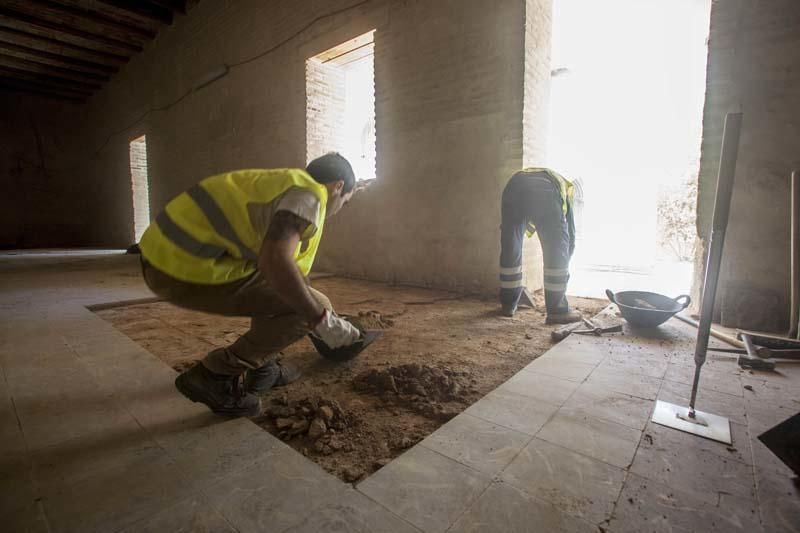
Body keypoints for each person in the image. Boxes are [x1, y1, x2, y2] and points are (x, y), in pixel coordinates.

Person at [139, 153, 362, 417]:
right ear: (338, 186)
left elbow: (283, 271)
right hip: (180, 268)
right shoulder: (310, 195)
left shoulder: (284, 184)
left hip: (165, 256)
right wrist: (322, 319)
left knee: (292, 291)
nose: (341, 207)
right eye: (346, 200)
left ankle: (263, 368)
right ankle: (214, 374)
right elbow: (276, 260)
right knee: (310, 306)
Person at [499, 168, 582, 324]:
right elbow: (568, 240)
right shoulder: (567, 191)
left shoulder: (551, 178)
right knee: (557, 248)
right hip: (544, 191)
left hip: (513, 185)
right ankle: (557, 310)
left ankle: (508, 304)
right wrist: (564, 266)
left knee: (511, 245)